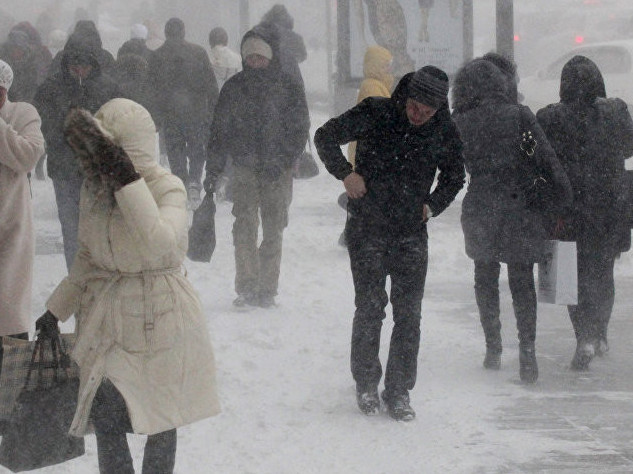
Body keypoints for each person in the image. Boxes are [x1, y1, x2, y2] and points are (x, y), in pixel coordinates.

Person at [35, 98, 220, 473]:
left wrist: (128, 181)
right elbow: (88, 256)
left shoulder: (168, 186)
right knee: (107, 413)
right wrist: (56, 309)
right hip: (107, 319)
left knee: (160, 419)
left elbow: (158, 242)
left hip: (160, 316)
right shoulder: (95, 189)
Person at [314, 66, 465, 420]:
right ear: (405, 96)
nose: (418, 116)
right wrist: (346, 174)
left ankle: (398, 391)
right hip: (368, 227)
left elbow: (456, 175)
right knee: (370, 308)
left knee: (408, 315)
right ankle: (366, 383)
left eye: (427, 113)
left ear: (438, 109)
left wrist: (432, 205)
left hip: (412, 231)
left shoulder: (444, 129)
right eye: (414, 107)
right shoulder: (376, 112)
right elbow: (325, 136)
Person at [451, 58, 572, 382]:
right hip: (519, 207)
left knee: (485, 276)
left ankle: (493, 347)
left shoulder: (459, 120)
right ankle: (528, 352)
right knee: (522, 282)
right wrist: (562, 199)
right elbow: (547, 159)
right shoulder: (518, 114)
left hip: (481, 207)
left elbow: (446, 165)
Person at [537, 55, 633, 370]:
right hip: (611, 208)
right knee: (603, 272)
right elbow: (630, 147)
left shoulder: (550, 118)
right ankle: (601, 333)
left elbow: (539, 158)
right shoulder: (617, 112)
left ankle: (584, 337)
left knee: (573, 276)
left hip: (571, 208)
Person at [204, 24, 310, 309]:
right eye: (250, 57)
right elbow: (219, 131)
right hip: (245, 168)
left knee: (274, 228)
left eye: (260, 57)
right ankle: (247, 285)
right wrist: (212, 169)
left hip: (277, 170)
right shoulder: (234, 88)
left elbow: (300, 127)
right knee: (244, 226)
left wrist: (286, 158)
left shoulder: (287, 86)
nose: (255, 62)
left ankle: (267, 288)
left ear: (270, 57)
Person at [33, 34, 121, 270]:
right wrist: (64, 134)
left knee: (99, 226)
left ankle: (98, 273)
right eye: (75, 66)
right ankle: (77, 276)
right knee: (70, 226)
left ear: (93, 65)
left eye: (85, 66)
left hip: (99, 170)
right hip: (64, 168)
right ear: (66, 64)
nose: (80, 71)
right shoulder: (51, 88)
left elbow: (119, 123)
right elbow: (41, 124)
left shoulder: (108, 87)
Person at [148, 17, 218, 209]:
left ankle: (181, 182)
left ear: (166, 33)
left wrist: (156, 115)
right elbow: (211, 85)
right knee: (197, 148)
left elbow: (152, 89)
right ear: (183, 31)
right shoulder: (198, 53)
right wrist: (213, 108)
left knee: (175, 149)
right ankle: (195, 180)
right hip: (196, 111)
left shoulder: (157, 56)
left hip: (171, 112)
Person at [0, 60, 45, 342]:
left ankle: (10, 378)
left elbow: (29, 155)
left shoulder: (23, 113)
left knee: (8, 308)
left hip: (11, 222)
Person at [338, 45, 393, 247]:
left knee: (364, 195)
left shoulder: (377, 85)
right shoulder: (373, 87)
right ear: (376, 66)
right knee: (366, 196)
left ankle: (353, 234)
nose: (389, 69)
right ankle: (353, 236)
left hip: (367, 149)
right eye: (386, 65)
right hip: (369, 152)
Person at [259, 4, 307, 86]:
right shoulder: (294, 37)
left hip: (267, 78)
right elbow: (302, 56)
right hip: (291, 77)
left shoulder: (262, 36)